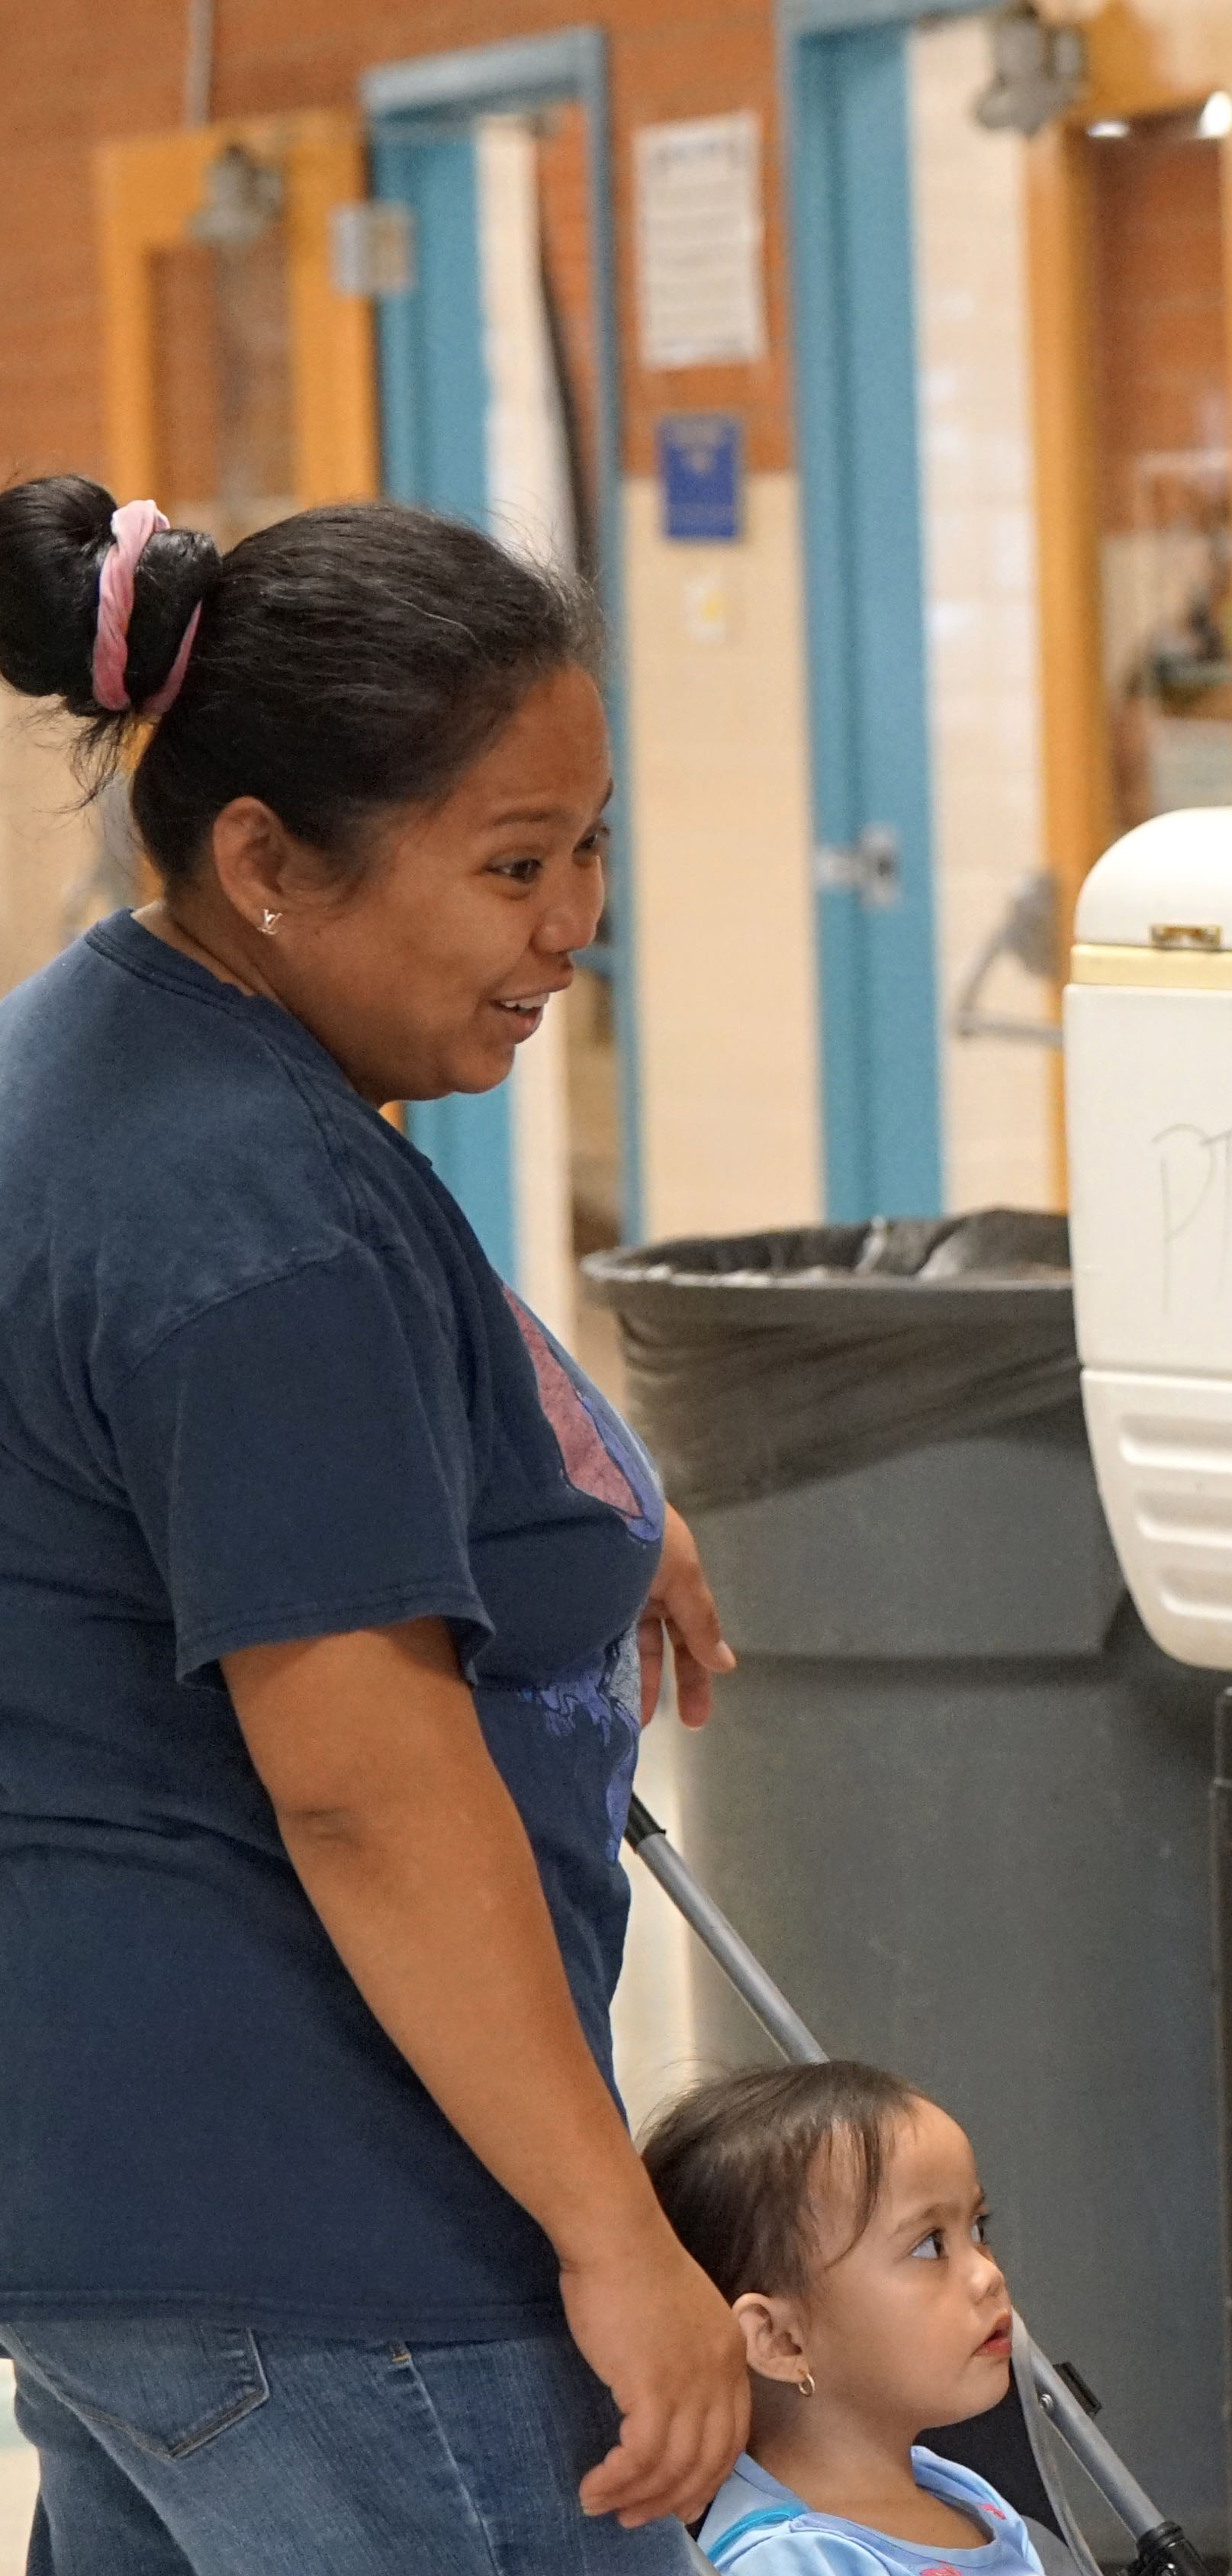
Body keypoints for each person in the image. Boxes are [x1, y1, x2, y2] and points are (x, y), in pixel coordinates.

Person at [0, 481, 745, 2566]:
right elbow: (365, 1788)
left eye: (589, 847)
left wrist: (580, 1490)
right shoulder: (258, 1229)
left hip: (122, 2217)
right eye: (512, 864)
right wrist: (615, 2237)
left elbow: (332, 1357)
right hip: (355, 2240)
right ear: (264, 861)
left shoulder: (110, 1055)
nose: (570, 923)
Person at [642, 2063, 1057, 2574]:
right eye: (929, 2246)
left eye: (977, 2228)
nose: (987, 2275)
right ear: (781, 2341)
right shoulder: (792, 2561)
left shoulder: (962, 2493)